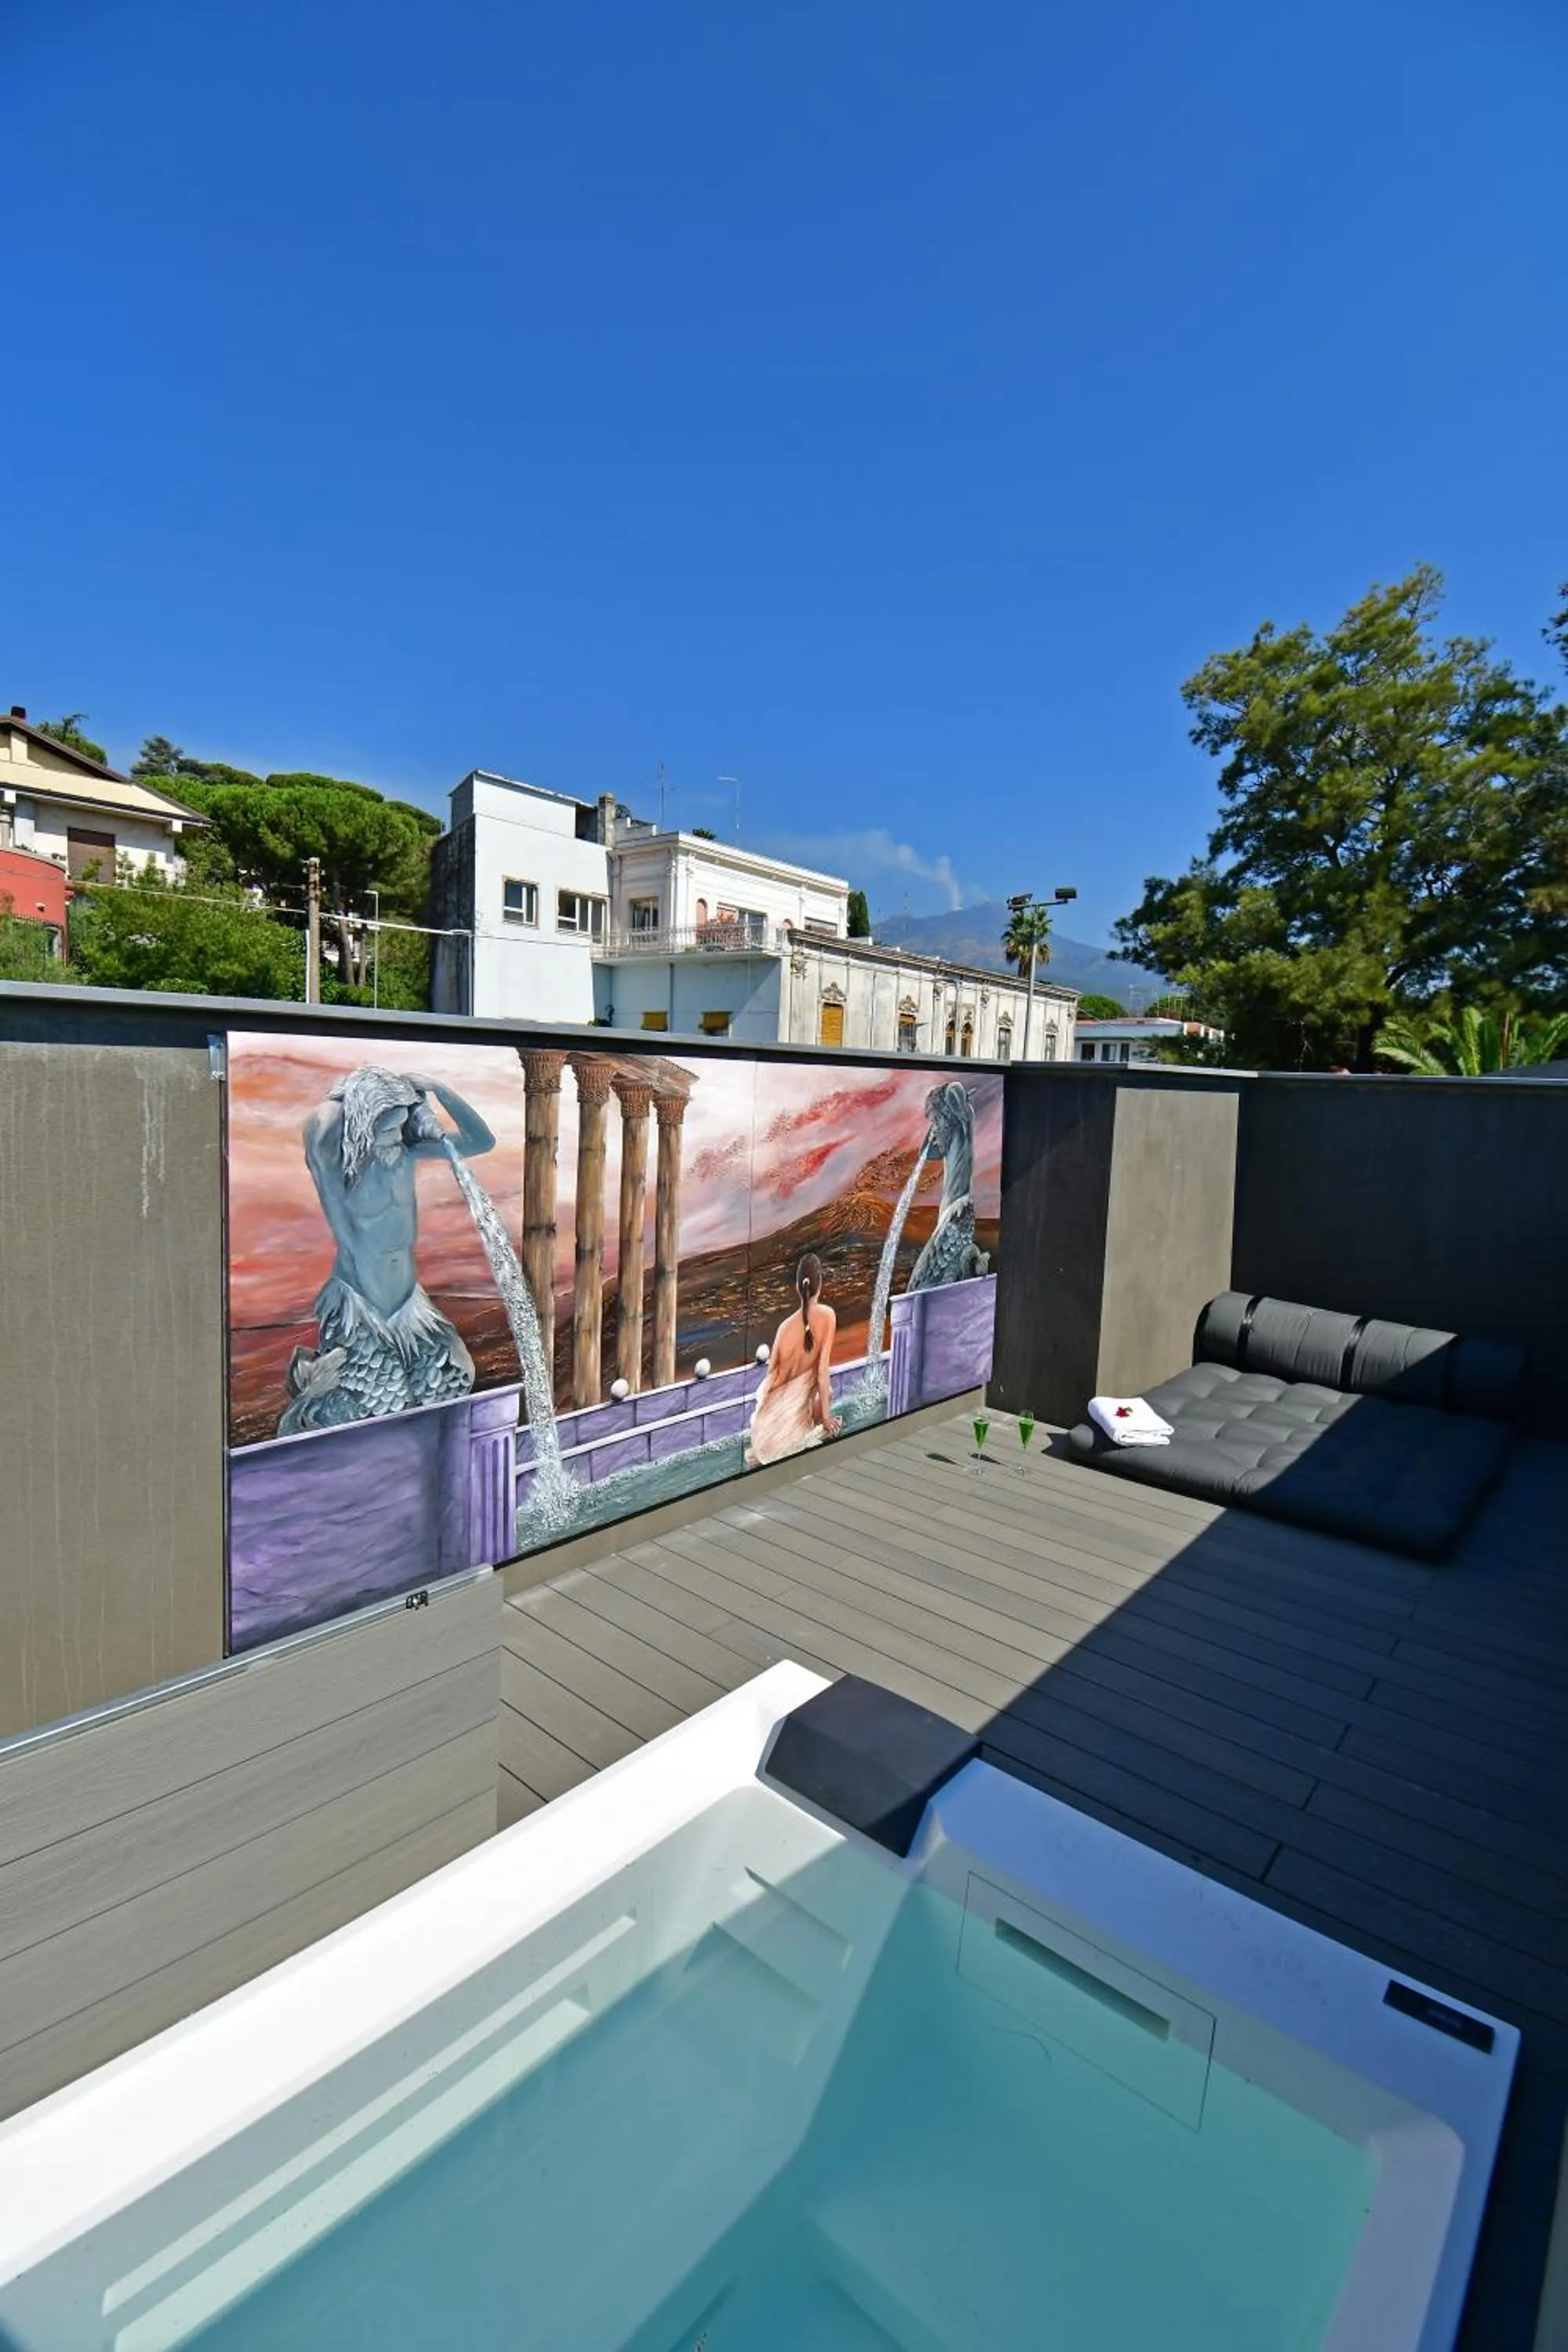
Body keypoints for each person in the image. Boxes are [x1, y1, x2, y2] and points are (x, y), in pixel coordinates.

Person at [284, 1065, 496, 1432]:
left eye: (400, 1126)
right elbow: (319, 1124)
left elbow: (481, 1141)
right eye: (386, 1129)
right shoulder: (342, 1170)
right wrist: (356, 1092)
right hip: (362, 1305)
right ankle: (308, 1399)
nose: (396, 1136)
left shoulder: (407, 1154)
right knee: (374, 1409)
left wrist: (438, 1089)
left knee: (453, 1379)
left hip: (410, 1304)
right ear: (364, 1124)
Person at [746, 1253, 841, 1466]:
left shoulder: (784, 1328)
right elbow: (822, 1374)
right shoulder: (827, 1316)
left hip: (763, 1432)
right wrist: (826, 1419)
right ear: (820, 1284)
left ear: (798, 1287)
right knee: (828, 1393)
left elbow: (770, 1380)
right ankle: (804, 1431)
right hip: (789, 1433)